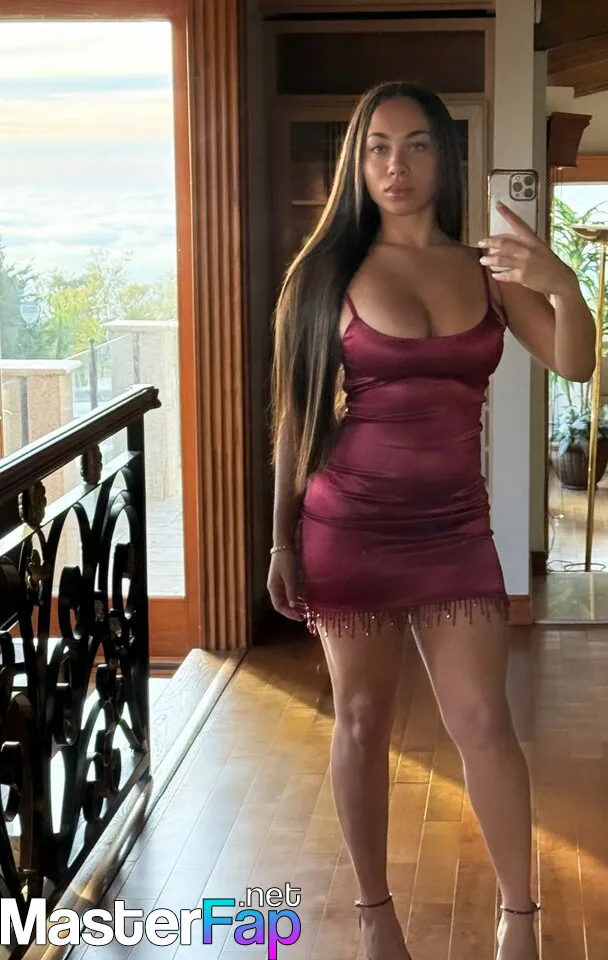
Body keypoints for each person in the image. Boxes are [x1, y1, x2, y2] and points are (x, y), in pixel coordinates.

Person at [266, 80, 595, 960]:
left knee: (483, 721)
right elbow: (296, 417)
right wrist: (280, 538)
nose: (395, 165)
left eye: (415, 144)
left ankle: (520, 919)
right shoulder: (323, 275)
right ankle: (377, 916)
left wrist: (562, 283)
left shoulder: (485, 269)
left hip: (455, 529)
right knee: (362, 719)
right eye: (377, 147)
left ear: (443, 158)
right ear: (357, 161)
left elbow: (574, 362)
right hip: (348, 528)